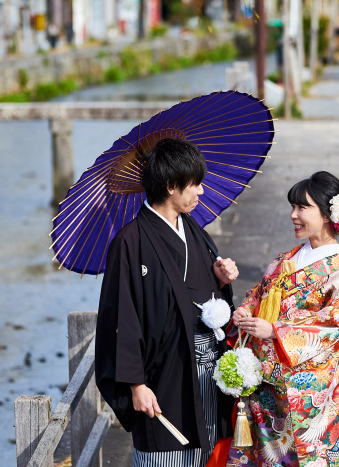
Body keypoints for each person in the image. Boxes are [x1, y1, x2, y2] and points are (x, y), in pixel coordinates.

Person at [95, 138, 239, 466]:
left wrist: (219, 280)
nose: (201, 192)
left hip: (205, 370)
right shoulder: (129, 243)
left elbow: (203, 299)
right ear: (172, 186)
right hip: (164, 375)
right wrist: (135, 384)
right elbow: (121, 319)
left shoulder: (194, 231)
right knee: (166, 454)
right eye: (195, 184)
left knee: (208, 449)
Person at [228, 171, 339, 467]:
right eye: (292, 207)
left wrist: (275, 331)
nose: (293, 215)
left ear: (326, 214)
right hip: (269, 381)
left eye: (302, 208)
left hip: (314, 389)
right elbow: (259, 293)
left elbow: (334, 323)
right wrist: (246, 310)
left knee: (315, 457)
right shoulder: (286, 259)